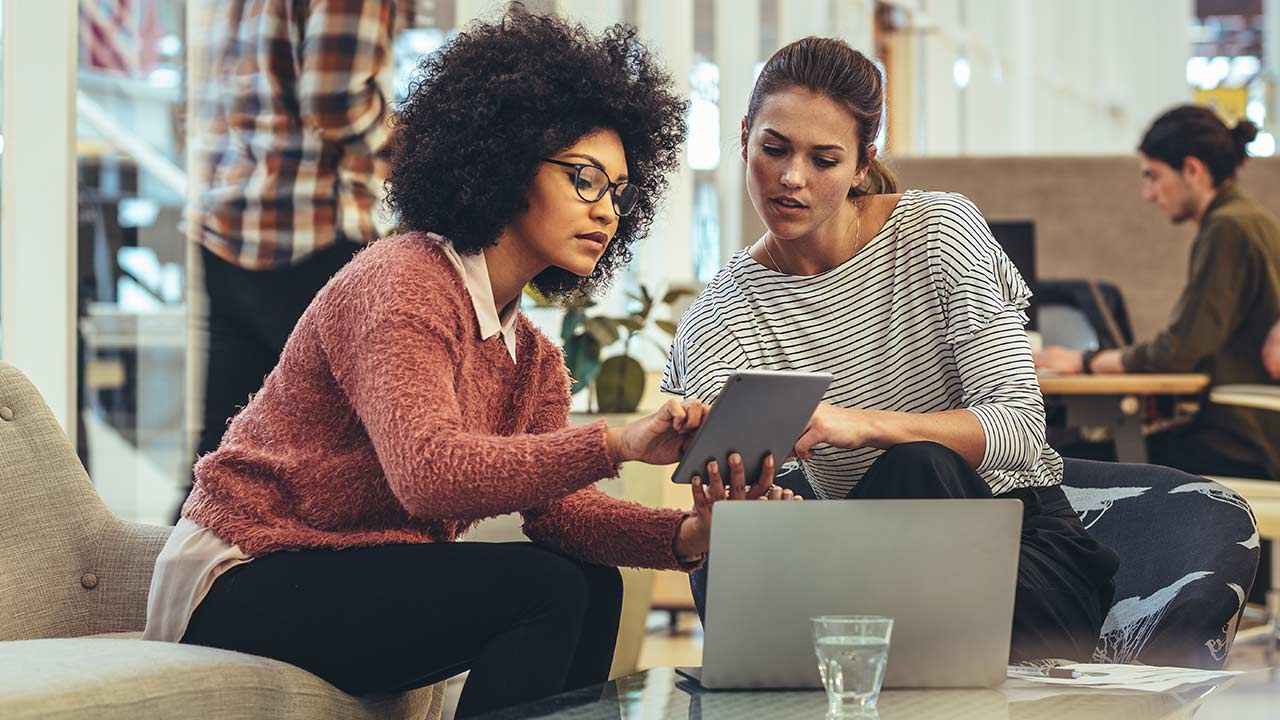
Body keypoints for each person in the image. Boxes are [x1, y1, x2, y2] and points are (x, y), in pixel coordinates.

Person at [144, 9, 796, 717]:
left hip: (352, 565)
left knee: (591, 580)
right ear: (506, 158)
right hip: (246, 572)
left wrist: (685, 536)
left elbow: (561, 517)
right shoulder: (403, 282)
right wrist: (616, 442)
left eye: (617, 190)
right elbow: (426, 472)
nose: (606, 211)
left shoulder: (533, 358)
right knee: (543, 591)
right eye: (583, 178)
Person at [663, 36, 1119, 663]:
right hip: (862, 569)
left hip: (1019, 564)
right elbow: (760, 512)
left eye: (824, 160)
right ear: (743, 135)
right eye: (774, 149)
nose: (791, 178)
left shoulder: (938, 232)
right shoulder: (721, 314)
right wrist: (741, 493)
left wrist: (859, 426)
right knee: (733, 546)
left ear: (861, 162)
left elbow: (1019, 428)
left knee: (917, 466)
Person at [178, 0, 398, 520]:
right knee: (332, 470)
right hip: (309, 230)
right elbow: (336, 100)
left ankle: (175, 590)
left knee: (225, 454)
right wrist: (416, 148)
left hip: (227, 218)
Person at [1036, 105, 1280, 481]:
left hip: (1242, 441)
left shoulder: (1228, 229)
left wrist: (1083, 361)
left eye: (1153, 176)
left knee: (1061, 463)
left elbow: (1178, 352)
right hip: (1257, 431)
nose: (1149, 194)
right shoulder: (1252, 220)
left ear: (1193, 170)